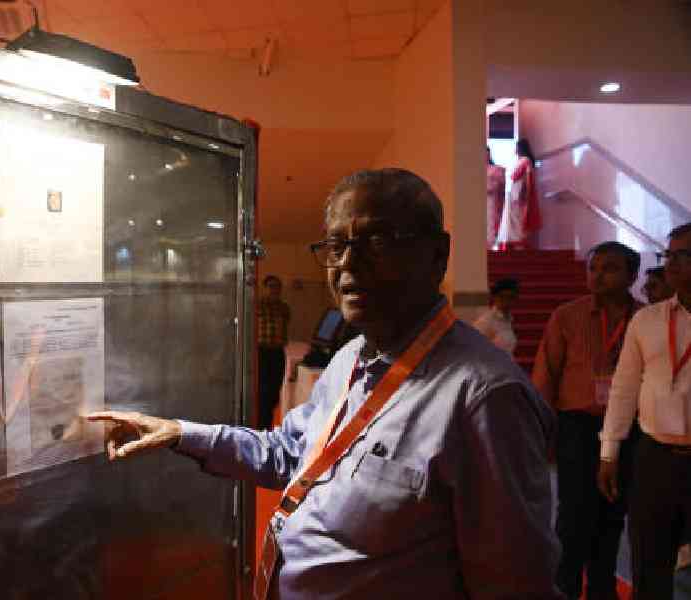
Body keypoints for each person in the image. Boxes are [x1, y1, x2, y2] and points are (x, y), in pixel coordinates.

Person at [89, 168, 562, 599]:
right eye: (336, 247)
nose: (348, 265)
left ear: (437, 254)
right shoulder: (350, 359)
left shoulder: (486, 399)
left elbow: (515, 585)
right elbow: (291, 456)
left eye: (376, 241)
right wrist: (179, 432)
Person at [532, 241, 643, 600]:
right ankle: (563, 589)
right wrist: (542, 430)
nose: (597, 275)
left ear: (632, 275)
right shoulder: (567, 315)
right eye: (592, 268)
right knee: (574, 517)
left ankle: (602, 589)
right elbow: (546, 374)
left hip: (628, 429)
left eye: (609, 268)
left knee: (612, 515)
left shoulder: (644, 319)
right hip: (577, 426)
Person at [598, 223, 691, 600]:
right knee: (650, 564)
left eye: (683, 255)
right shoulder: (647, 320)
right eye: (668, 255)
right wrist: (609, 453)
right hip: (655, 457)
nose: (671, 264)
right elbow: (623, 390)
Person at [257, 275, 291, 429]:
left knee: (274, 394)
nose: (274, 289)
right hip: (261, 352)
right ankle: (260, 426)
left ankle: (267, 425)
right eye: (270, 286)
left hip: (277, 352)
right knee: (262, 393)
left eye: (277, 286)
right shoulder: (258, 305)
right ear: (264, 288)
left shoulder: (284, 307)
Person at [497, 138, 542, 250]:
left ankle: (517, 242)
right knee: (512, 219)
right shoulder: (521, 160)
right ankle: (511, 242)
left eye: (517, 147)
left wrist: (525, 193)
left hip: (518, 192)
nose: (515, 149)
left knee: (517, 219)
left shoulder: (525, 161)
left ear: (521, 148)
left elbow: (526, 177)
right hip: (514, 192)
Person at [473, 277, 519, 355]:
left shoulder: (508, 320)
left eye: (510, 298)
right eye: (503, 297)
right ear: (494, 297)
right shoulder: (486, 321)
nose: (506, 302)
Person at [486, 147, 506, 249]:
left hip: (491, 200)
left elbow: (500, 185)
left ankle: (490, 245)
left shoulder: (496, 169)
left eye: (487, 154)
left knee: (491, 221)